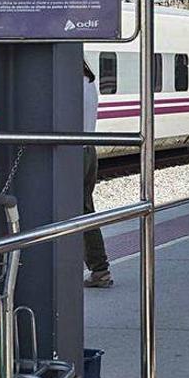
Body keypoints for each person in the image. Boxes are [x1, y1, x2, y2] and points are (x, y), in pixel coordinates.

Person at [81, 61, 112, 288]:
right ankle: (98, 268)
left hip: (74, 153)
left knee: (82, 212)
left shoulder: (68, 82)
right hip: (88, 150)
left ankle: (99, 269)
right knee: (85, 209)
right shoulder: (88, 81)